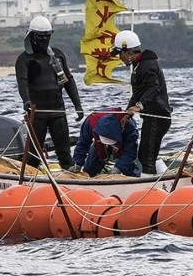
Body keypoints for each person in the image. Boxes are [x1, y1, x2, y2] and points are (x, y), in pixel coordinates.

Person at [15, 15, 84, 171]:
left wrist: (77, 104)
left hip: (57, 111)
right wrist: (26, 101)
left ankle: (69, 180)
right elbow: (22, 82)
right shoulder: (24, 59)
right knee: (33, 156)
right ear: (32, 36)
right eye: (41, 36)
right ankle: (29, 183)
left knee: (65, 155)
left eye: (48, 36)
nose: (44, 39)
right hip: (37, 113)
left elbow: (68, 80)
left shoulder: (57, 55)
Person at [111, 30, 173, 175]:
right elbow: (136, 94)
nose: (120, 59)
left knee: (146, 157)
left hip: (157, 117)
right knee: (146, 153)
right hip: (151, 117)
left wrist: (139, 107)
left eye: (120, 54)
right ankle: (159, 176)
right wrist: (127, 114)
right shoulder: (138, 66)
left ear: (128, 52)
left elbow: (153, 89)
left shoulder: (147, 65)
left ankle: (149, 187)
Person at [71, 109, 140, 177]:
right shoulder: (91, 121)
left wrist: (118, 168)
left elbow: (130, 152)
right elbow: (82, 143)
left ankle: (135, 176)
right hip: (99, 143)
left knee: (127, 166)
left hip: (121, 142)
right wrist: (77, 163)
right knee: (89, 169)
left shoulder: (130, 128)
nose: (108, 144)